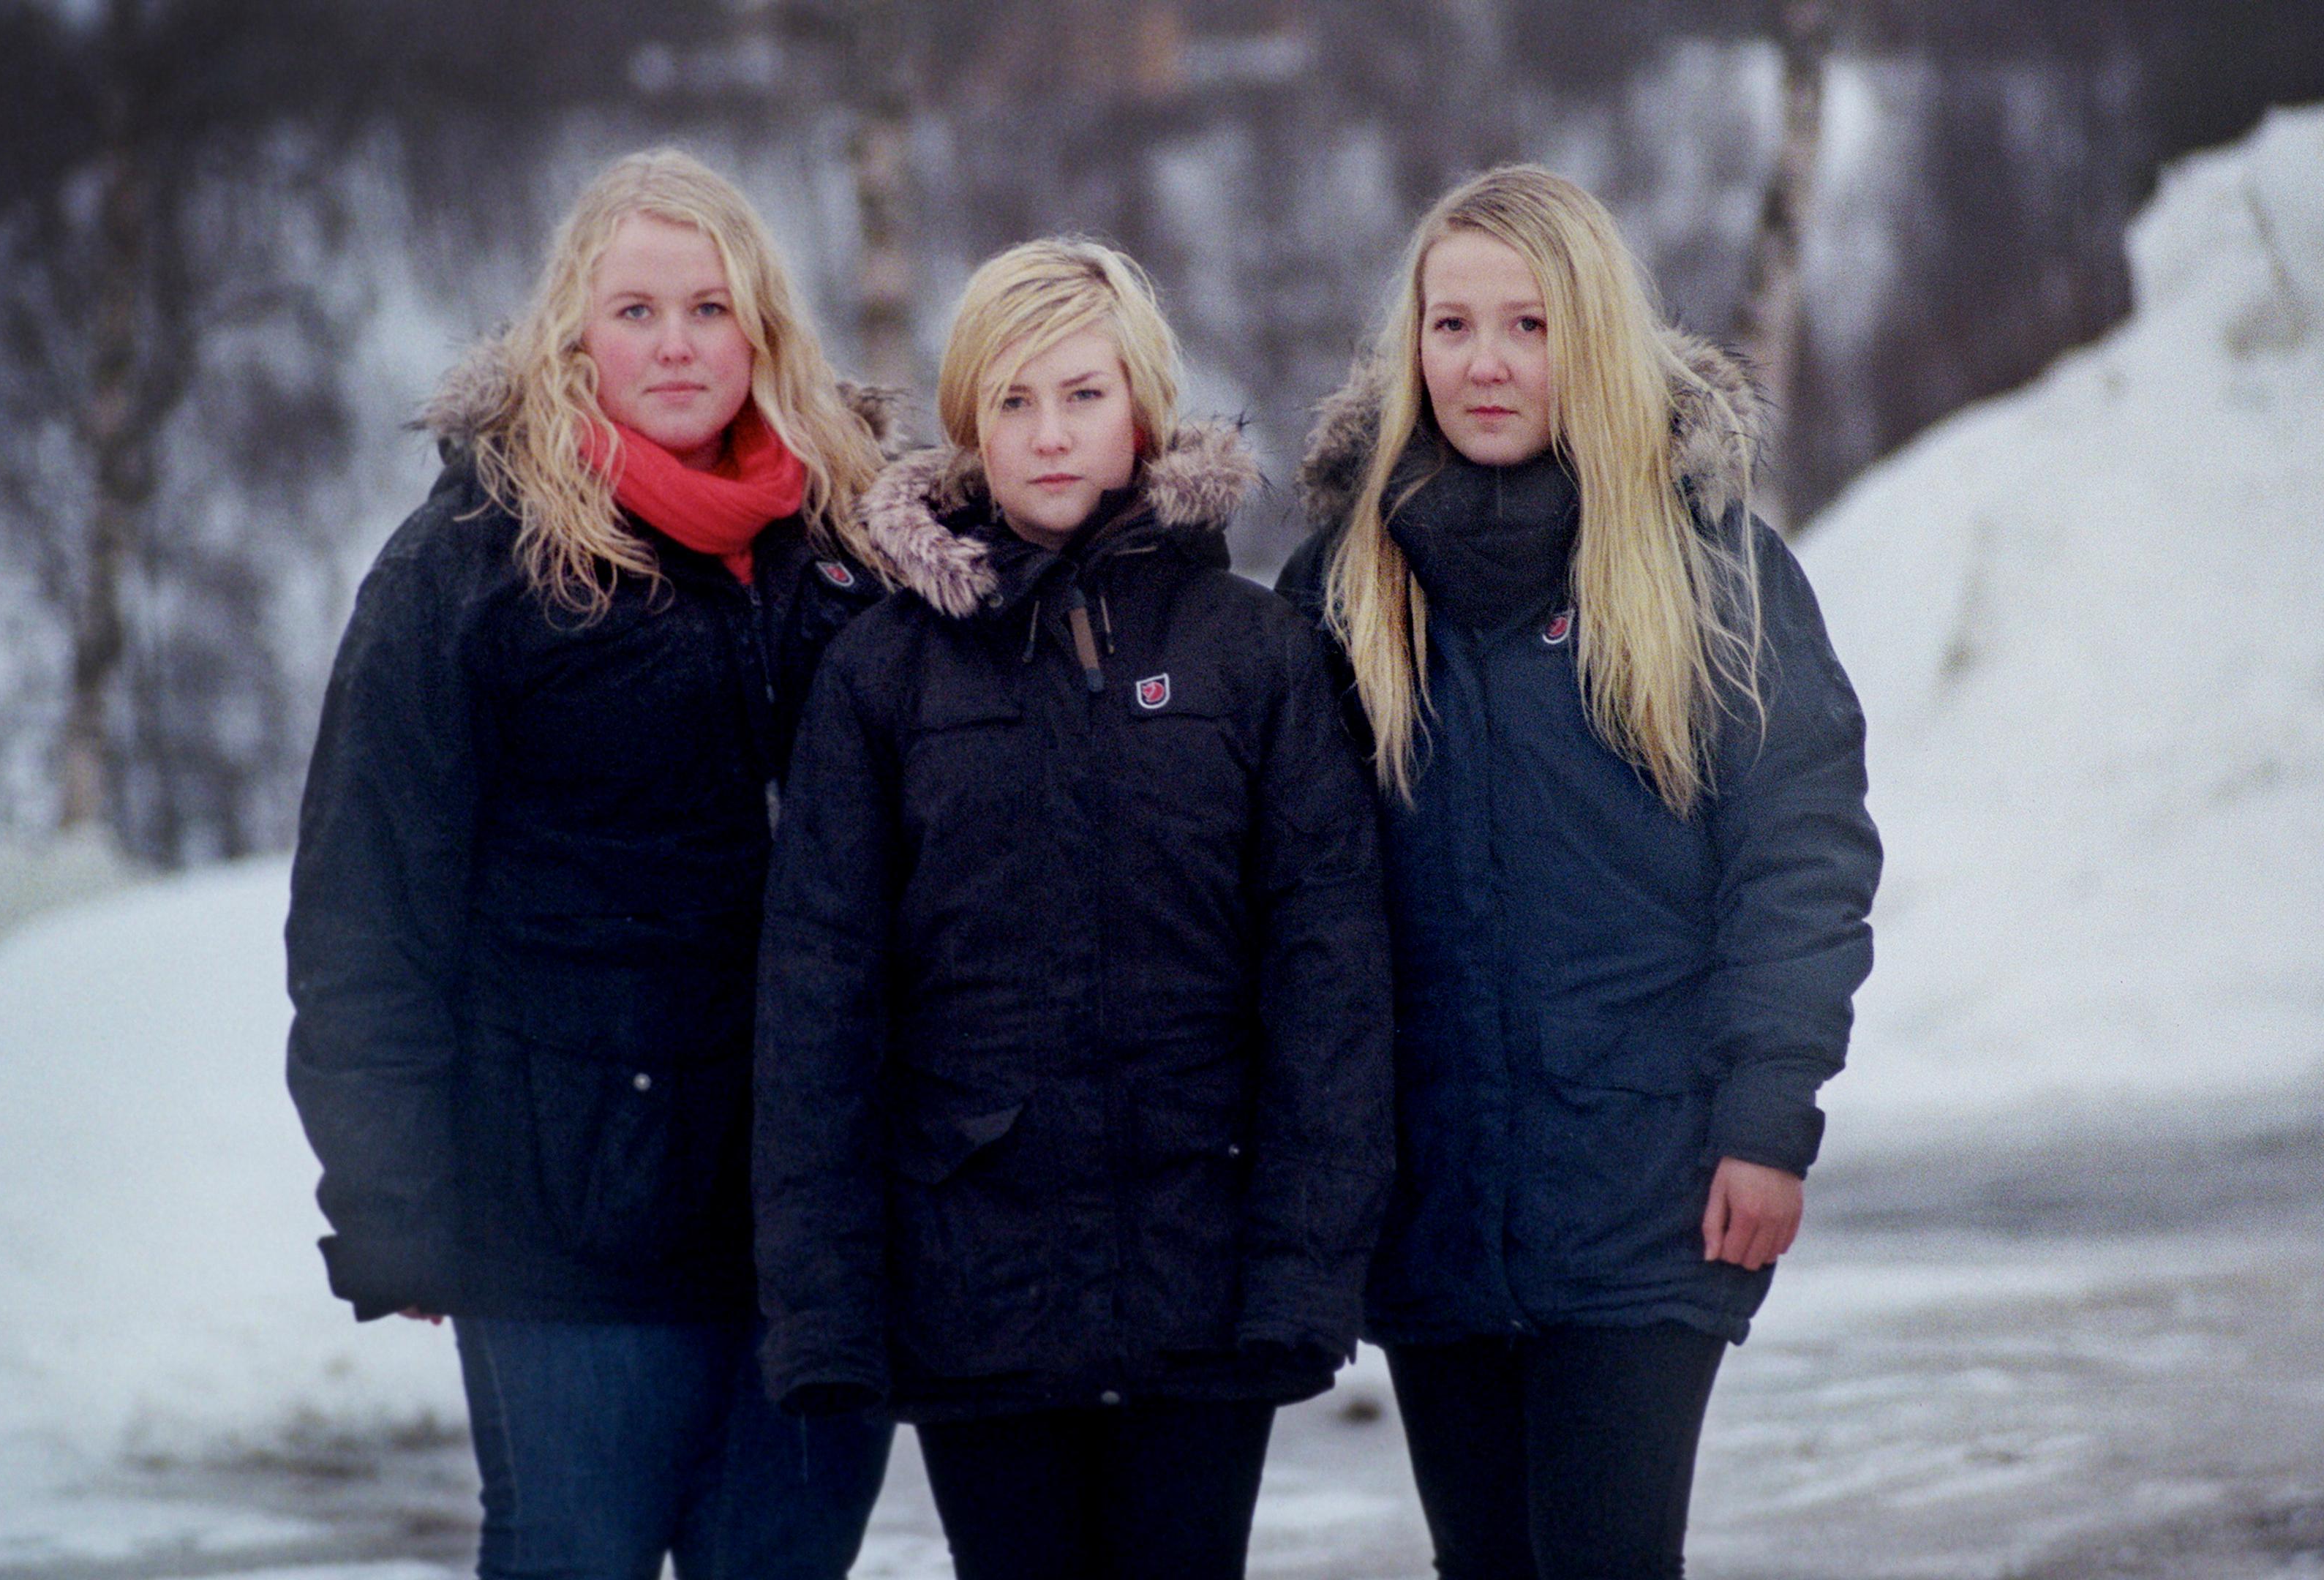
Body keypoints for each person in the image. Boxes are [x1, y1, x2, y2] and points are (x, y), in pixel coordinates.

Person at [284, 148, 900, 1580]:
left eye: (709, 308)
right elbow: (367, 904)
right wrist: (390, 1202)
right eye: (637, 311)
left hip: (817, 1217)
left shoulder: (855, 542)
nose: (676, 344)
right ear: (573, 333)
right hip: (566, 1216)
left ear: (762, 327)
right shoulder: (471, 562)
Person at [752, 238, 1395, 1580]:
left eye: (1083, 395)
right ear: (970, 428)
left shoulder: (1255, 652)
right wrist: (823, 1309)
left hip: (1200, 1277)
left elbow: (1328, 977)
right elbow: (819, 1002)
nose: (1050, 434)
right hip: (974, 1287)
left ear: (1142, 409)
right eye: (1014, 401)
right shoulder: (881, 674)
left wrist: (1303, 1271)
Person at [1276, 165, 1882, 1579]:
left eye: (1529, 326)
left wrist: (1768, 1119)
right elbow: (1294, 907)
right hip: (1429, 1201)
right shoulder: (1341, 588)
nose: (1485, 363)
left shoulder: (1716, 574)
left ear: (1594, 335)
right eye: (1452, 326)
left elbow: (1800, 859)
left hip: (1648, 1186)